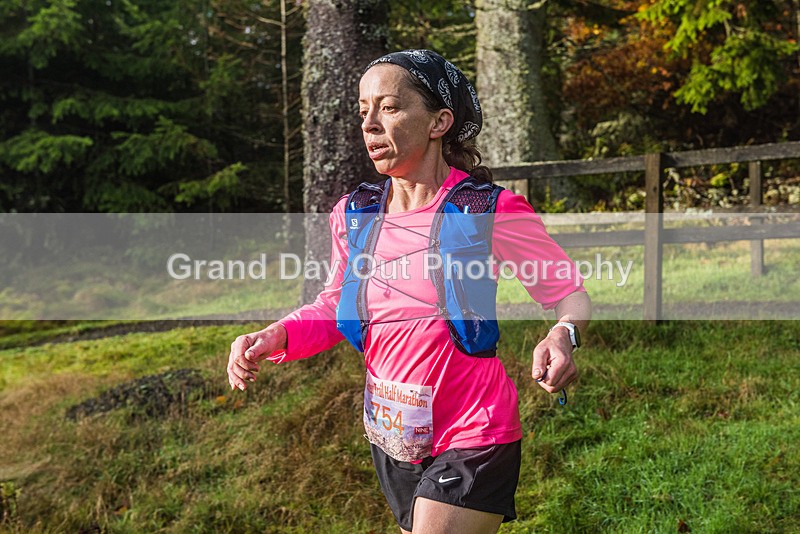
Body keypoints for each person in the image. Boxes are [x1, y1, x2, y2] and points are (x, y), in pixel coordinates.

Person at [227, 49, 591, 534]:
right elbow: (336, 302)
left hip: (474, 428)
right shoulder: (354, 215)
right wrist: (277, 336)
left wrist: (563, 335)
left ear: (440, 121)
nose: (370, 124)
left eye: (390, 107)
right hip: (393, 437)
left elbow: (569, 293)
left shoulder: (488, 210)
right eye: (363, 111)